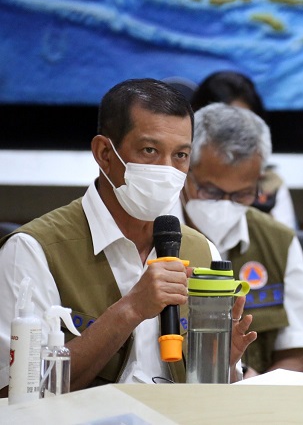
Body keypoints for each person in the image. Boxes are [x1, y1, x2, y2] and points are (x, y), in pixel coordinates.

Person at [0, 79, 257, 397]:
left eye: (180, 155)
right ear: (104, 153)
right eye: (150, 151)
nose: (167, 169)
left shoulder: (202, 250)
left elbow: (212, 399)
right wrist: (130, 310)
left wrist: (224, 369)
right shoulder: (32, 250)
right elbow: (15, 393)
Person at [173, 102, 303, 378]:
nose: (225, 204)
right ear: (185, 170)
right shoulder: (153, 236)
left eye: (242, 194)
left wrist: (252, 389)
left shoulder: (279, 242)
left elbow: (296, 358)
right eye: (211, 191)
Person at [191, 71, 298, 229]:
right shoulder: (175, 183)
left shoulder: (271, 185)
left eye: (242, 194)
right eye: (211, 191)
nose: (236, 135)